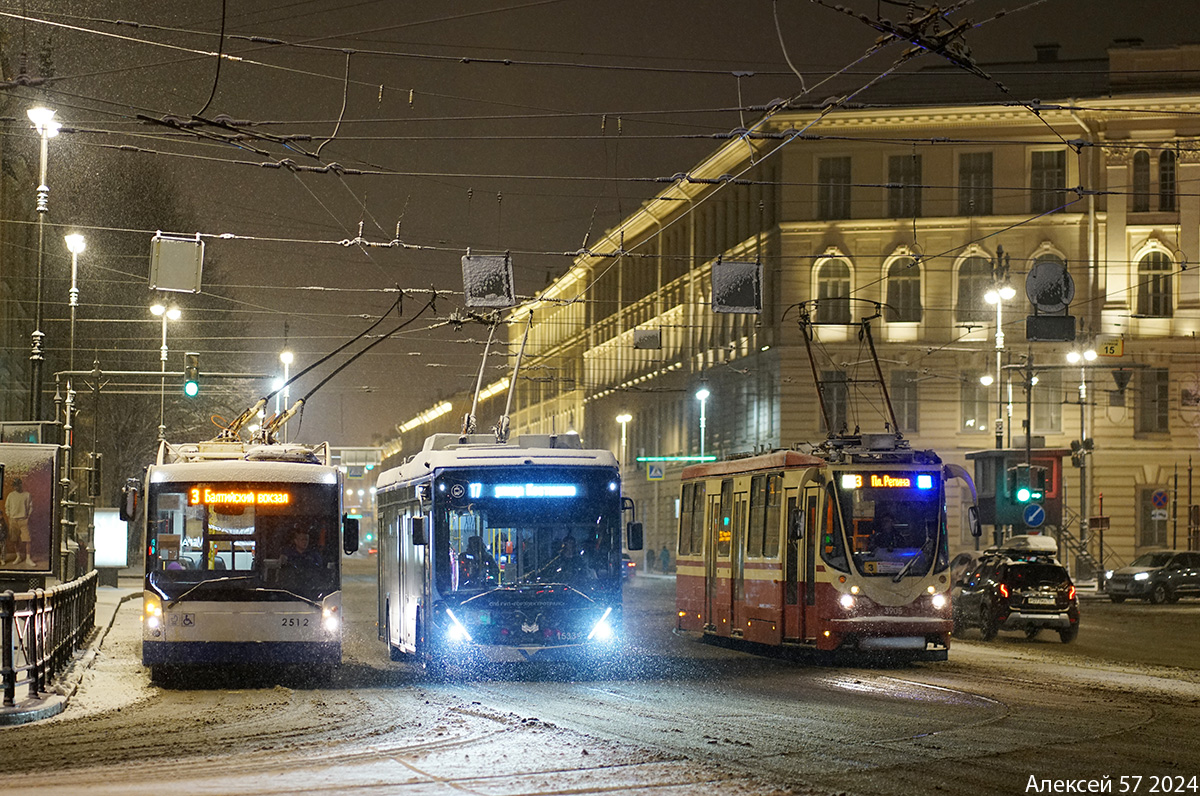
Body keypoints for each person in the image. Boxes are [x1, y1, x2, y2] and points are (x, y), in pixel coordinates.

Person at [4, 478, 33, 566]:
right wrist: (9, 516)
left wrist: (27, 517)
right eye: (14, 486)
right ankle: (18, 556)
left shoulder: (27, 495)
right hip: (13, 520)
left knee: (27, 540)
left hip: (23, 520)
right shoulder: (11, 495)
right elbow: (7, 507)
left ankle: (28, 558)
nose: (16, 487)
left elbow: (30, 507)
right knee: (14, 540)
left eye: (17, 485)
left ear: (21, 485)